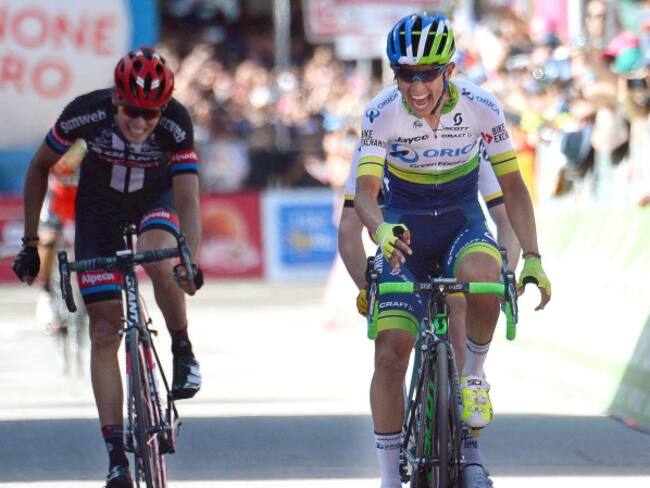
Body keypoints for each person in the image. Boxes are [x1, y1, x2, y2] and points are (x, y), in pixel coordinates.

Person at [351, 13, 551, 488]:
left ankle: (473, 376)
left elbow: (513, 188)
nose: (416, 86)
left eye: (427, 74)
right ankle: (389, 477)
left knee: (485, 276)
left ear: (450, 71)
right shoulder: (381, 111)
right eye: (405, 74)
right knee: (391, 351)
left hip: (462, 221)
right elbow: (364, 193)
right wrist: (380, 229)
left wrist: (534, 257)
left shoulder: (482, 106)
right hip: (404, 232)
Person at [12, 47, 204, 488]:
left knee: (160, 259)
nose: (140, 122)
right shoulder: (85, 113)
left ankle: (181, 346)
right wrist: (29, 243)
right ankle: (117, 457)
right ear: (116, 99)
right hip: (98, 211)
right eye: (132, 110)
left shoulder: (176, 122)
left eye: (150, 114)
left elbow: (189, 197)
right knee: (103, 331)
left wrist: (189, 260)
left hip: (154, 201)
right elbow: (39, 167)